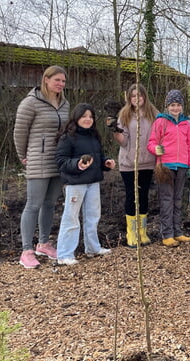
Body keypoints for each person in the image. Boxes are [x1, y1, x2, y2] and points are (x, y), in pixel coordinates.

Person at [14, 65, 70, 269]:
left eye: (63, 81)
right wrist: (23, 156)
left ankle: (44, 243)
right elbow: (19, 132)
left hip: (58, 160)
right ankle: (26, 250)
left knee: (50, 204)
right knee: (33, 204)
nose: (60, 84)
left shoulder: (64, 104)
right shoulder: (30, 103)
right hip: (38, 159)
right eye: (57, 80)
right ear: (46, 79)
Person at [55, 103, 115, 265]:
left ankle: (93, 248)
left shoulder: (94, 136)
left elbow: (99, 157)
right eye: (84, 116)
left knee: (93, 216)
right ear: (76, 118)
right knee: (71, 217)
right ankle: (64, 254)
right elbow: (61, 161)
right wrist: (77, 165)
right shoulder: (67, 137)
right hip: (75, 183)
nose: (88, 119)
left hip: (93, 181)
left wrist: (106, 163)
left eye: (90, 117)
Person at [111, 84, 159, 247]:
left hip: (148, 162)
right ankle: (131, 232)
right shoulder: (124, 115)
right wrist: (116, 132)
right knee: (132, 196)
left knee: (144, 195)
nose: (136, 99)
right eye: (133, 96)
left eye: (139, 95)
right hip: (130, 163)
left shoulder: (154, 114)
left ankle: (142, 231)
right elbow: (123, 142)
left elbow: (160, 134)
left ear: (144, 97)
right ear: (129, 98)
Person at [147, 89, 190, 247]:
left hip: (181, 165)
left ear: (182, 106)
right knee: (166, 199)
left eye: (178, 105)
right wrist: (155, 149)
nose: (175, 108)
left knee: (178, 199)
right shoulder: (160, 121)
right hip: (165, 166)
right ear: (167, 106)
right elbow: (151, 142)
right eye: (172, 105)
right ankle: (167, 233)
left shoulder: (185, 123)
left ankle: (177, 231)